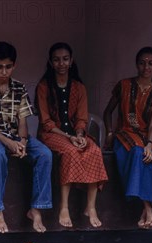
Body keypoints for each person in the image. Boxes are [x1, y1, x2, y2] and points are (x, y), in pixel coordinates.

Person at [0, 41, 53, 233]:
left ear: (14, 66)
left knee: (45, 154)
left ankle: (36, 208)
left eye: (8, 67)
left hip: (16, 136)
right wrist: (10, 143)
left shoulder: (20, 88)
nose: (4, 71)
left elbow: (23, 122)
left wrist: (23, 142)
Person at [36, 42, 108, 228]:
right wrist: (69, 138)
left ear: (71, 61)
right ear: (51, 63)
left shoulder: (79, 87)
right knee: (70, 152)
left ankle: (90, 207)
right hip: (51, 134)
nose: (61, 63)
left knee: (93, 151)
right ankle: (64, 207)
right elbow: (46, 123)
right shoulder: (44, 87)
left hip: (74, 134)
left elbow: (82, 118)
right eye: (57, 60)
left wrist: (79, 134)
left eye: (65, 59)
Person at [103, 46, 152, 228]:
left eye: (150, 64)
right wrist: (110, 133)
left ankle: (148, 209)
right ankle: (148, 209)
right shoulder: (124, 85)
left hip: (147, 134)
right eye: (142, 63)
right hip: (125, 133)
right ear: (136, 64)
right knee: (136, 152)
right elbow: (107, 112)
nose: (146, 67)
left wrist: (150, 144)